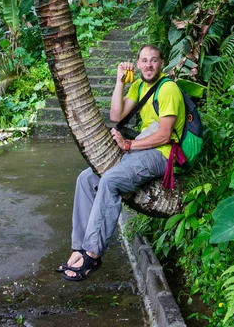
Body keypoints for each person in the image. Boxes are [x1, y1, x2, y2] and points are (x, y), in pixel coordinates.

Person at [57, 44, 185, 282]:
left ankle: (92, 253)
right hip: (141, 149)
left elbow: (165, 135)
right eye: (144, 61)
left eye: (154, 60)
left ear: (161, 63)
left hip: (162, 154)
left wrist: (127, 146)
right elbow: (116, 116)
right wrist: (120, 81)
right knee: (86, 178)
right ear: (137, 65)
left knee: (110, 181)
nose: (148, 65)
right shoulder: (138, 85)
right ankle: (79, 248)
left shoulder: (168, 89)